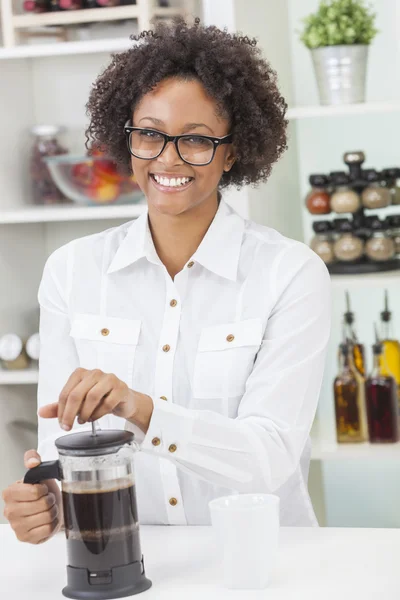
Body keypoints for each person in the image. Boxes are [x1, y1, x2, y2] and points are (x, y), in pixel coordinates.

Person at [2, 18, 331, 544]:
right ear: (126, 136)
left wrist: (142, 409)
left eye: (197, 140)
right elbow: (61, 451)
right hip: (127, 558)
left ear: (233, 150)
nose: (169, 159)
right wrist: (43, 505)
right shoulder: (71, 271)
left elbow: (269, 458)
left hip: (266, 561)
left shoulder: (290, 273)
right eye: (150, 134)